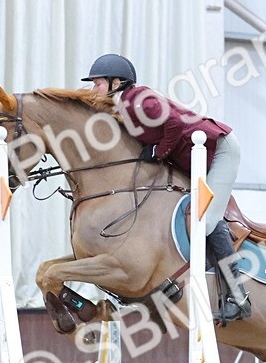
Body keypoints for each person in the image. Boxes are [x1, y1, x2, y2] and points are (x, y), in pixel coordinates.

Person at [82, 53, 250, 323]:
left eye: (97, 83)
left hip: (220, 150)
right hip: (192, 155)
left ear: (116, 82)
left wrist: (159, 152)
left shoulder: (139, 100)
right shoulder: (122, 106)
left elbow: (172, 123)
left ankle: (238, 296)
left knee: (206, 220)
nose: (94, 89)